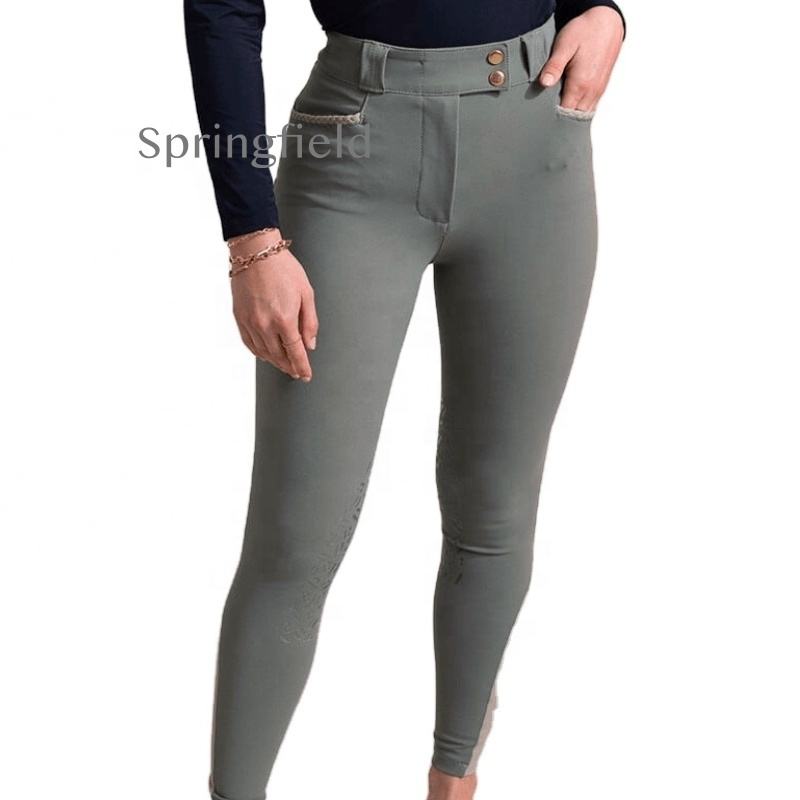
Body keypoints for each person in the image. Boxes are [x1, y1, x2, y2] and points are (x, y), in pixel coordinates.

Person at [184, 2, 625, 798]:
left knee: (495, 506)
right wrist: (251, 237)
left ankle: (454, 779)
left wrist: (603, 9)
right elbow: (222, 12)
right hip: (353, 151)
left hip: (536, 145)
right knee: (296, 537)